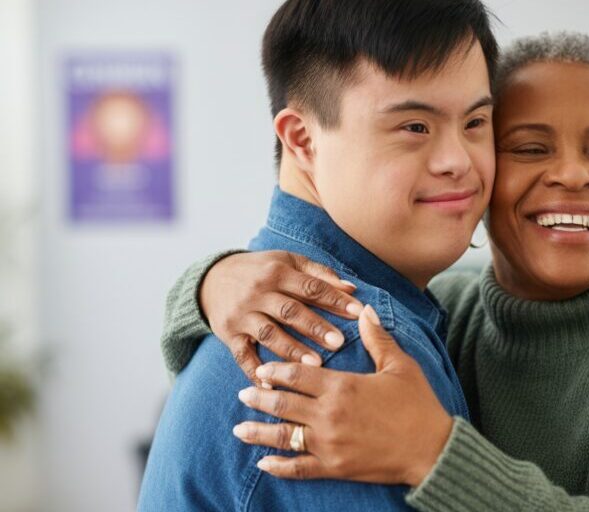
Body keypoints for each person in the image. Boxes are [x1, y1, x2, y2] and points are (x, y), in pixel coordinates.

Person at [160, 32, 589, 512]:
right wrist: (212, 282)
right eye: (529, 147)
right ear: (487, 176)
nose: (575, 174)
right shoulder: (436, 313)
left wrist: (434, 454)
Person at [137, 0, 498, 510]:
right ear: (304, 140)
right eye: (414, 126)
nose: (459, 161)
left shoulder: (286, 302)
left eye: (476, 122)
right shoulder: (351, 346)